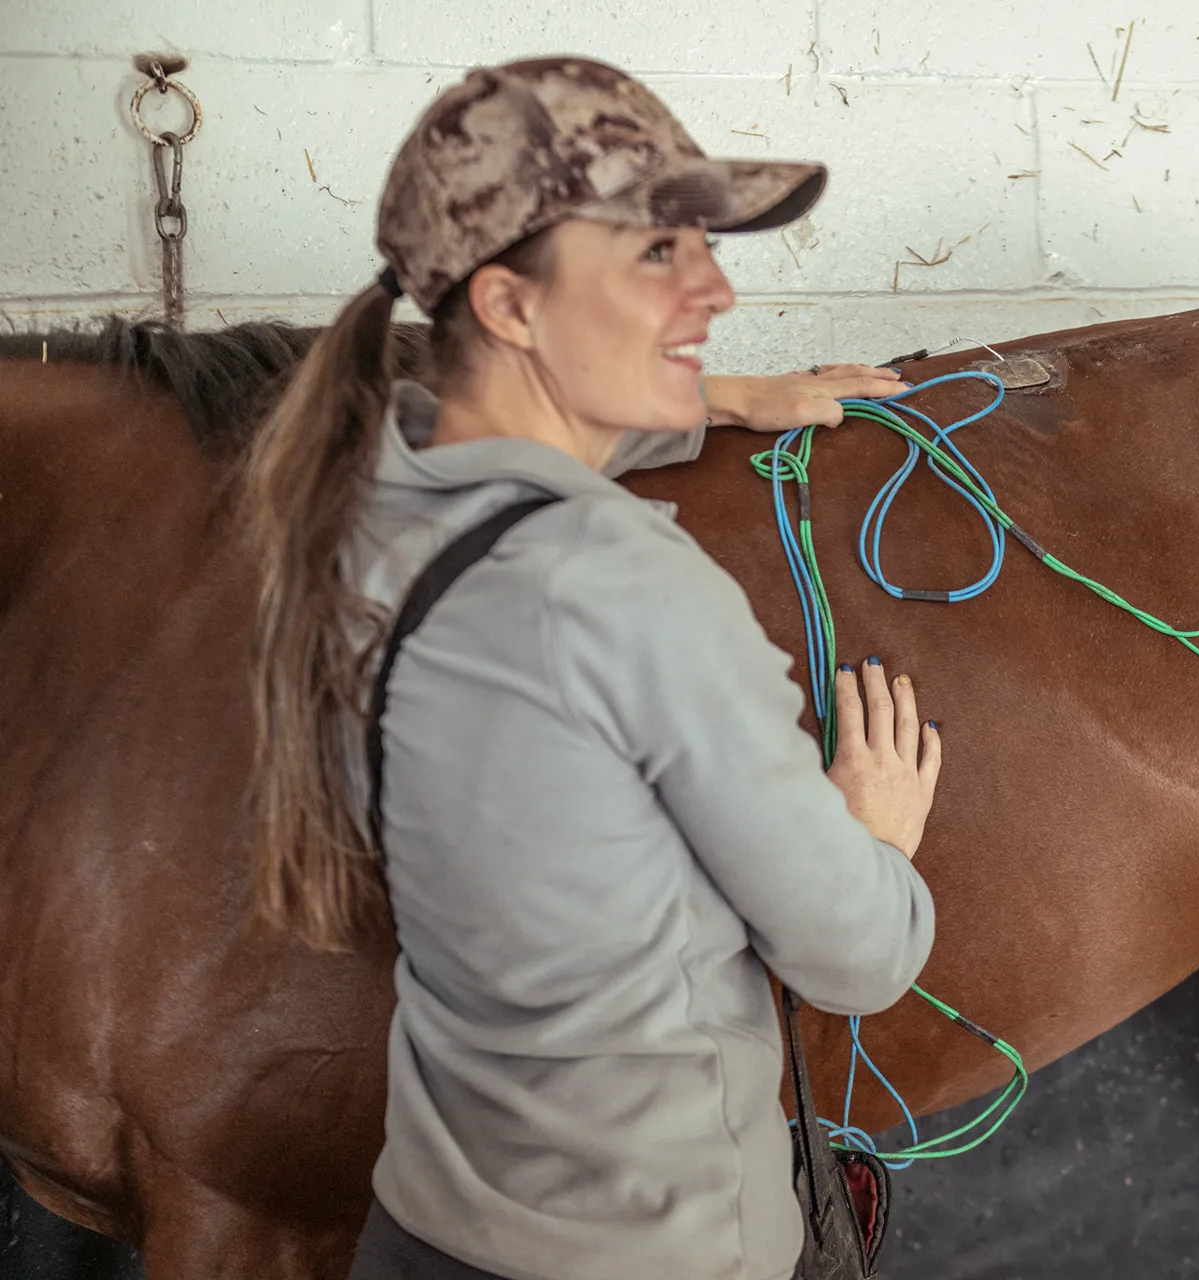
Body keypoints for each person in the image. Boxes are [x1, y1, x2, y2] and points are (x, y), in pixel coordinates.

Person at [240, 55, 940, 1280]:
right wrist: (873, 834)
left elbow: (505, 469)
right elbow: (857, 956)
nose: (715, 288)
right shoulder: (629, 590)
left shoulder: (354, 519)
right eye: (657, 253)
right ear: (511, 307)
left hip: (424, 1232)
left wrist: (711, 400)